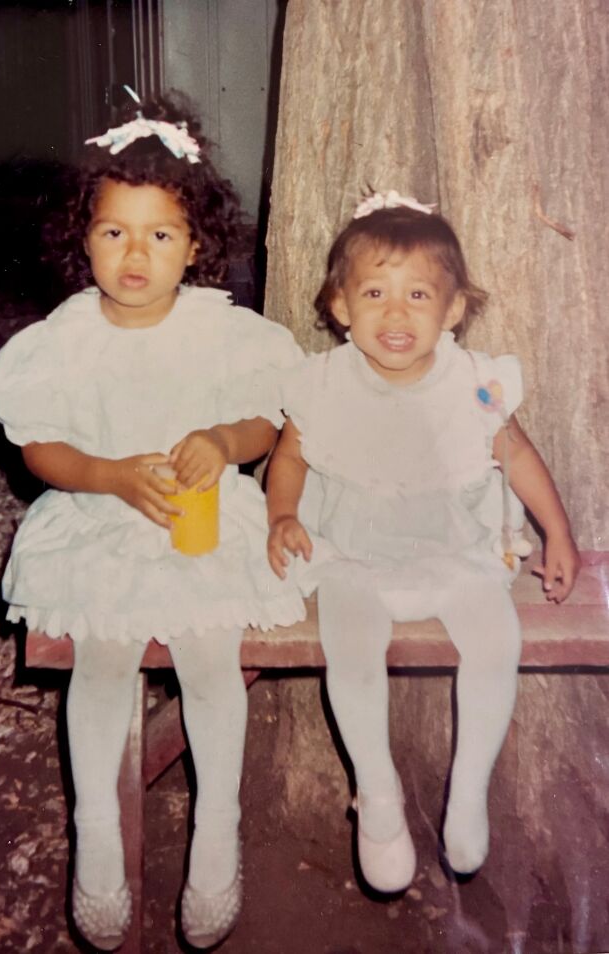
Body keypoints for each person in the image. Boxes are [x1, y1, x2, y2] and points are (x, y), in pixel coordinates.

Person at [0, 98, 304, 951]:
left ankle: (216, 834)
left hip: (201, 521)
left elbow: (266, 423)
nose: (135, 254)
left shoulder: (219, 330)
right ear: (83, 238)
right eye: (115, 232)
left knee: (209, 657)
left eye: (161, 235)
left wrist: (220, 439)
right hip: (99, 518)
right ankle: (96, 835)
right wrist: (109, 477)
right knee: (104, 661)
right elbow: (42, 448)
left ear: (195, 247)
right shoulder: (67, 337)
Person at [266, 190, 580, 893]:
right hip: (353, 553)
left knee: (497, 642)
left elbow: (519, 457)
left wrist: (558, 531)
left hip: (454, 550)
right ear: (341, 305)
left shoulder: (473, 382)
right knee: (350, 649)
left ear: (454, 309)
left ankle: (468, 789)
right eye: (374, 292)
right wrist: (283, 514)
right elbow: (288, 458)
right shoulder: (323, 384)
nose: (396, 313)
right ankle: (376, 793)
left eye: (418, 294)